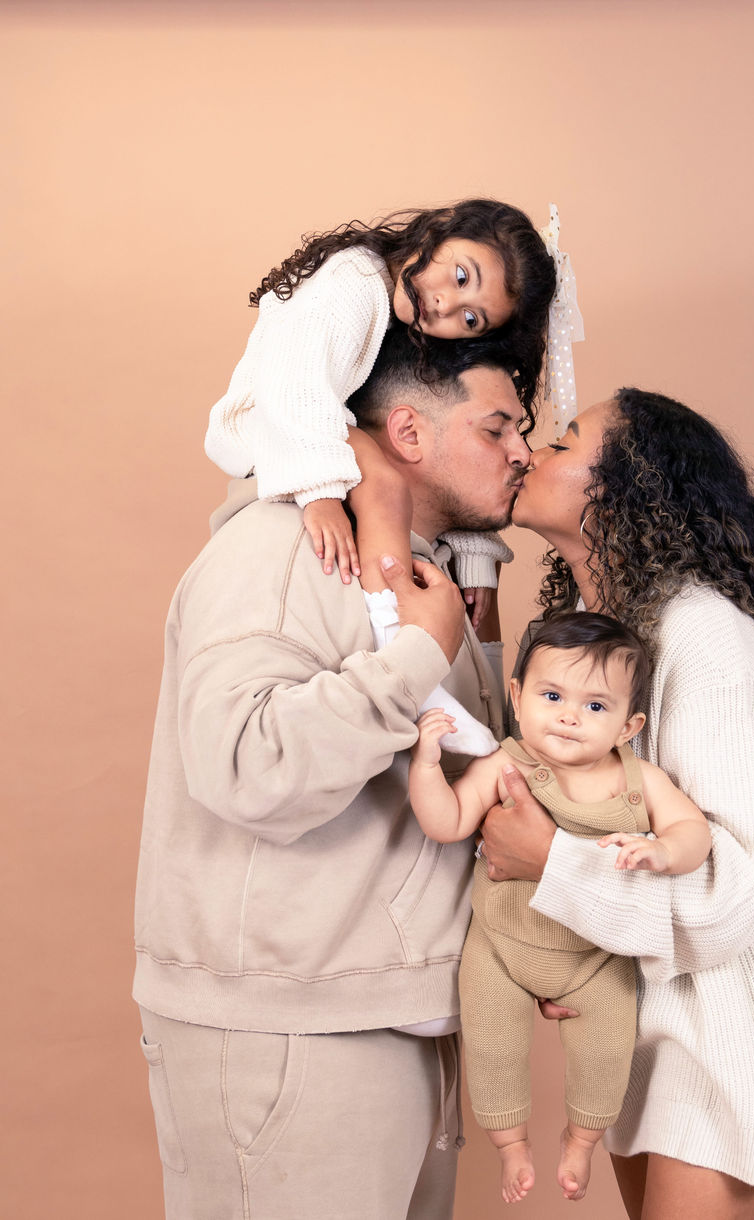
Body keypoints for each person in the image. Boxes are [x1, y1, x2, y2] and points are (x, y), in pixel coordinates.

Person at [133, 326, 532, 1220]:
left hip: (383, 1012)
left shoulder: (409, 576)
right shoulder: (280, 551)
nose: (522, 451)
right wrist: (418, 657)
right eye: (498, 427)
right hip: (289, 1024)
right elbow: (244, 763)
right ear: (408, 431)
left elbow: (456, 767)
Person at [480, 390, 754, 1220]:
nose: (533, 450)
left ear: (626, 486)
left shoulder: (704, 641)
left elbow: (729, 900)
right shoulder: (610, 638)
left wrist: (550, 866)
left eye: (566, 441)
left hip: (733, 1031)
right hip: (656, 1018)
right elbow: (597, 824)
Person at [204, 198, 557, 755]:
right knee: (385, 491)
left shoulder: (398, 309)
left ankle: (415, 670)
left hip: (318, 426)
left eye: (471, 317)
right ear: (440, 230)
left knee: (390, 492)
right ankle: (407, 658)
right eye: (460, 274)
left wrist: (474, 554)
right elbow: (295, 385)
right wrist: (319, 495)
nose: (445, 302)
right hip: (269, 428)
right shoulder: (351, 281)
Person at [409, 611, 711, 1204]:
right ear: (518, 698)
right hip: (501, 946)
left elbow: (692, 832)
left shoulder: (639, 779)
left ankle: (581, 1138)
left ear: (630, 726)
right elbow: (446, 822)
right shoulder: (504, 764)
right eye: (552, 695)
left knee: (607, 1048)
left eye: (596, 707)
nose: (570, 716)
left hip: (595, 958)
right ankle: (511, 1145)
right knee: (493, 1043)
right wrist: (425, 766)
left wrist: (662, 849)